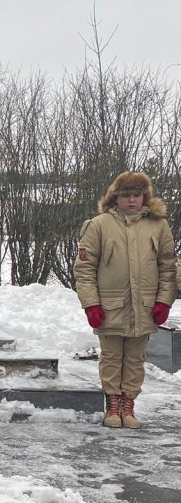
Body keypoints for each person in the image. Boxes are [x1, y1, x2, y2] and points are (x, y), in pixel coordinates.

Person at [74, 171, 176, 429]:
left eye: (137, 195)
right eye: (126, 195)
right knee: (110, 357)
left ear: (145, 197)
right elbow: (84, 270)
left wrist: (164, 301)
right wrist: (91, 304)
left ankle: (128, 405)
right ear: (115, 198)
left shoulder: (159, 225)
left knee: (135, 359)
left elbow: (168, 266)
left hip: (145, 306)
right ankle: (113, 405)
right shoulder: (98, 225)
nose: (132, 200)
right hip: (109, 306)